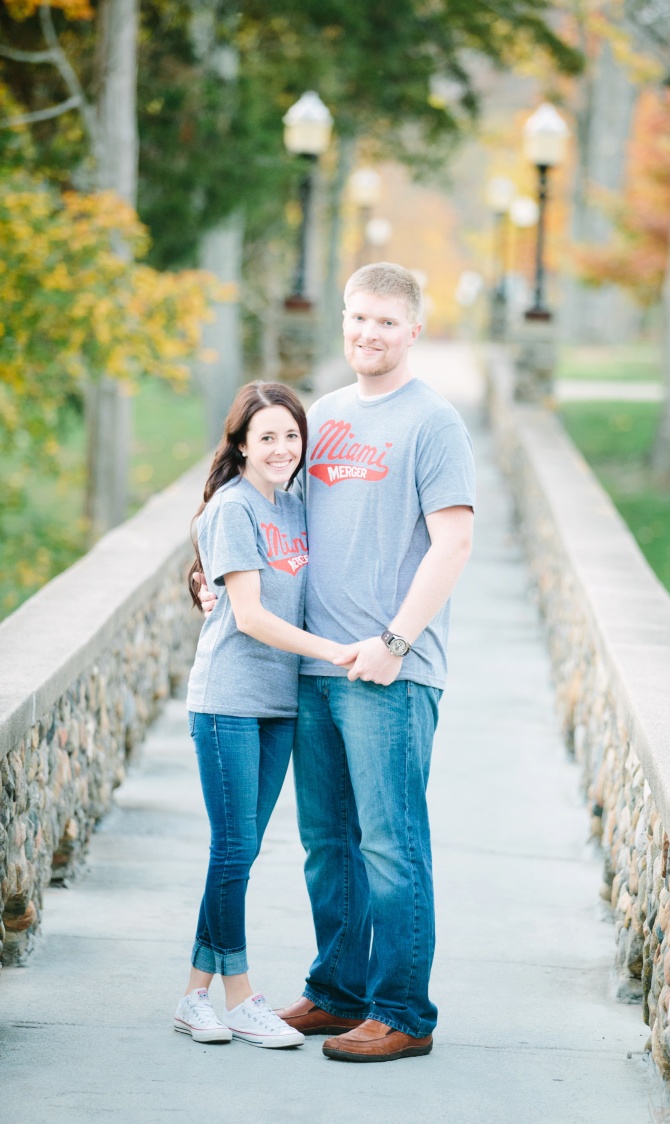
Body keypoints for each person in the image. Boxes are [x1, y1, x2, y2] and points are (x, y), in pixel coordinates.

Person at [202, 262, 475, 1062]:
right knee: (327, 841)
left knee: (391, 844)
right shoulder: (320, 416)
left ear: (413, 330)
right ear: (343, 322)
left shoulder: (434, 423)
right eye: (358, 318)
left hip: (389, 670)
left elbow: (453, 541)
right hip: (314, 667)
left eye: (387, 322)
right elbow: (262, 505)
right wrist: (210, 568)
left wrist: (395, 643)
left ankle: (402, 1012)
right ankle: (337, 991)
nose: (368, 333)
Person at [174, 381, 351, 1049]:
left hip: (279, 705)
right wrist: (334, 651)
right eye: (267, 436)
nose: (282, 448)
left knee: (238, 855)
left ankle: (194, 997)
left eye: (291, 435)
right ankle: (240, 996)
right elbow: (248, 617)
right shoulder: (232, 508)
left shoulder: (296, 507)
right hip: (227, 702)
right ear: (242, 444)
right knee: (234, 850)